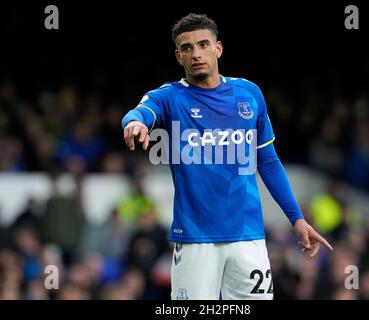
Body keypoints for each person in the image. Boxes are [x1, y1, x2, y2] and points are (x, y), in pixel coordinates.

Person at [121, 13, 333, 300]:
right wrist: (135, 123)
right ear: (178, 56)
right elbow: (141, 111)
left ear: (217, 48)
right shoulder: (170, 97)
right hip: (195, 239)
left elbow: (268, 161)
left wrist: (296, 218)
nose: (196, 53)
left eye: (203, 44)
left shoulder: (248, 94)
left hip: (248, 236)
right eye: (187, 48)